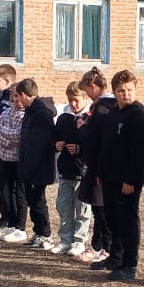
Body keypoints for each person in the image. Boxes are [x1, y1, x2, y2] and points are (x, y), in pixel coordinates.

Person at [97, 70, 144, 281]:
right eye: (121, 91)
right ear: (114, 92)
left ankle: (130, 263)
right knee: (112, 218)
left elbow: (141, 151)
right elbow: (106, 146)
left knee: (127, 220)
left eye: (129, 90)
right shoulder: (113, 114)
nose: (125, 94)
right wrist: (101, 172)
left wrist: (132, 179)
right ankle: (115, 257)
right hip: (110, 176)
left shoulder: (138, 114)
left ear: (135, 90)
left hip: (127, 180)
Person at [73, 67, 116, 264]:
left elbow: (94, 138)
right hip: (102, 164)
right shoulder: (109, 105)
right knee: (100, 208)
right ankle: (100, 245)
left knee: (101, 209)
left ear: (93, 87)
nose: (87, 97)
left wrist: (83, 128)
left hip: (99, 164)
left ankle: (104, 247)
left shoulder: (101, 107)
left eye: (87, 92)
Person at [14, 78, 59, 250]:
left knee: (39, 201)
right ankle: (38, 232)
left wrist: (30, 169)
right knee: (32, 201)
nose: (17, 101)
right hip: (28, 167)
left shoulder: (42, 114)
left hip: (38, 168)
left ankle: (46, 235)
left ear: (24, 95)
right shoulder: (30, 111)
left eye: (18, 97)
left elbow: (39, 145)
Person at [52, 82, 94, 256]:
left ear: (85, 98)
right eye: (70, 100)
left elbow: (92, 144)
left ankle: (79, 240)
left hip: (81, 172)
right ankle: (65, 240)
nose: (73, 104)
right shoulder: (63, 118)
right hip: (64, 171)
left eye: (76, 100)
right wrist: (57, 144)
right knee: (64, 208)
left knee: (82, 209)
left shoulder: (89, 119)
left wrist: (79, 149)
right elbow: (53, 139)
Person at [0, 65, 27, 243]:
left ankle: (14, 223)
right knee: (2, 187)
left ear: (8, 81)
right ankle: (6, 218)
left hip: (14, 156)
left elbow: (17, 135)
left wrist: (8, 139)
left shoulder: (10, 101)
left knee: (14, 191)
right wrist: (2, 140)